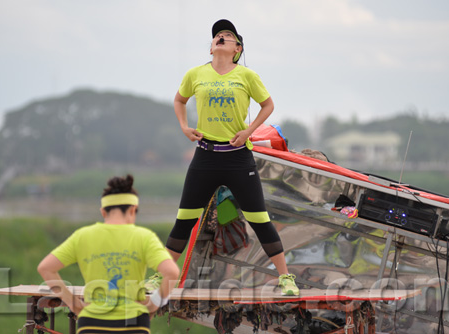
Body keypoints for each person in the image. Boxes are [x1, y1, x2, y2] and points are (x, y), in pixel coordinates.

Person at [150, 19, 299, 296]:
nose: (221, 37)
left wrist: (248, 131)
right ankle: (161, 278)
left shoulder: (247, 76)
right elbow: (179, 100)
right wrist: (184, 126)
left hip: (238, 158)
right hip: (205, 156)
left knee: (259, 219)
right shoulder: (195, 74)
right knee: (184, 219)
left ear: (237, 48)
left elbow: (268, 105)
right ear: (211, 48)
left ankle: (286, 278)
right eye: (217, 35)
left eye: (227, 35)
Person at [37, 175, 180, 334]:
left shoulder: (83, 236)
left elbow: (46, 268)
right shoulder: (144, 237)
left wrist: (75, 304)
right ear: (133, 210)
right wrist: (154, 304)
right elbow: (172, 272)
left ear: (103, 212)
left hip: (91, 323)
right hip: (134, 323)